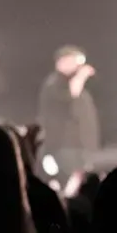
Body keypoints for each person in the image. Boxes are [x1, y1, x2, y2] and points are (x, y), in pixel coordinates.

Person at [37, 45, 100, 176]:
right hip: (64, 146)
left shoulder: (79, 87)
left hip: (81, 146)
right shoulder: (54, 84)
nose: (78, 66)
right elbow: (69, 96)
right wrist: (81, 76)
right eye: (74, 61)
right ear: (61, 62)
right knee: (69, 179)